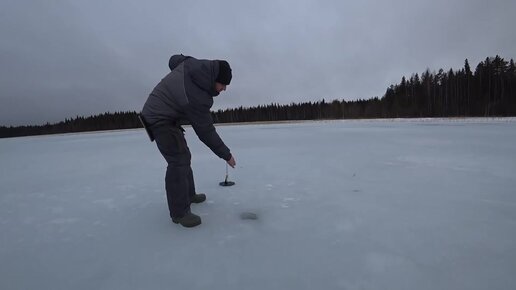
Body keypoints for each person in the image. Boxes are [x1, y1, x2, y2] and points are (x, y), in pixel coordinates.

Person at [140, 54, 236, 228]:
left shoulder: (191, 65)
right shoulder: (196, 95)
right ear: (214, 79)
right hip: (159, 119)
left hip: (166, 116)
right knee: (178, 160)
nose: (224, 89)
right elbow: (205, 131)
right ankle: (179, 213)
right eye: (223, 84)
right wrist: (226, 154)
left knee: (185, 156)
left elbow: (174, 60)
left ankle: (189, 195)